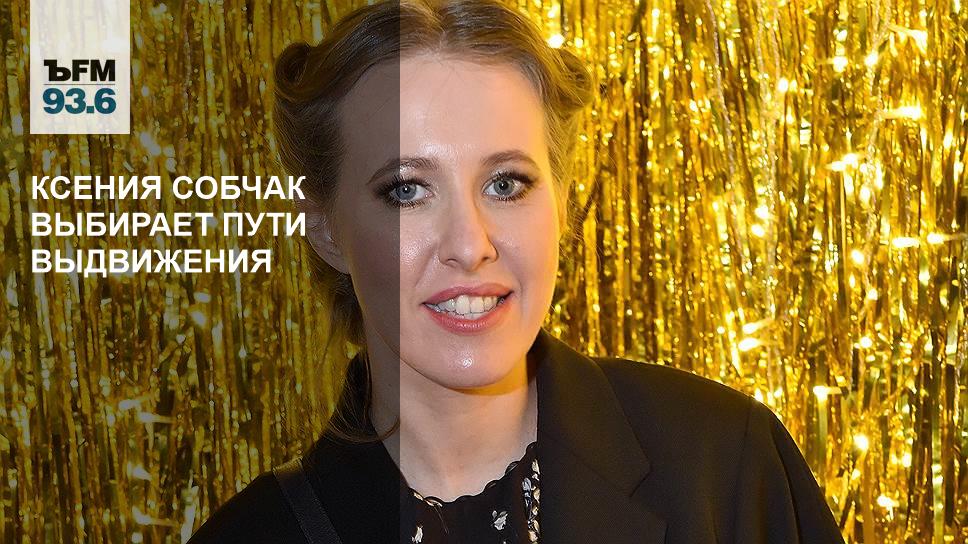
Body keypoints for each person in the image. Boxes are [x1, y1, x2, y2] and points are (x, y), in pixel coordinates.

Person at [188, 1, 845, 542]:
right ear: (326, 228)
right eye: (408, 190)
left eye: (505, 183)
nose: (470, 244)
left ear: (560, 199)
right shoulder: (252, 534)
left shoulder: (724, 463)